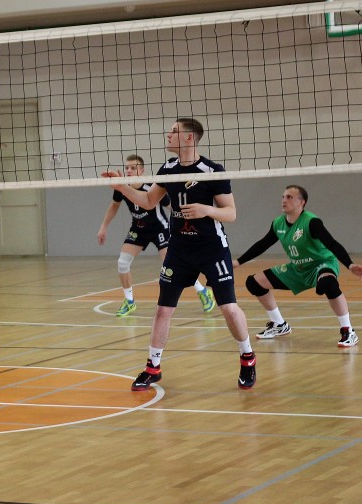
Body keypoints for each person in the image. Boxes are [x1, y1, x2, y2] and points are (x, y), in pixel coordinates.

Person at [102, 118, 256, 392]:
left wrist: (206, 210)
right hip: (179, 250)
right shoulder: (168, 169)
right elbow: (148, 201)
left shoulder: (212, 170)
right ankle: (153, 367)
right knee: (163, 309)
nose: (169, 134)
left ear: (189, 138)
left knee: (229, 308)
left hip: (212, 249)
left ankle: (247, 357)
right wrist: (122, 187)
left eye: (174, 131)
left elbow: (231, 213)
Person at [235, 185, 361, 347]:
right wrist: (238, 262)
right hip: (297, 268)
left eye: (289, 197)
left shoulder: (311, 222)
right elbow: (263, 244)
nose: (284, 200)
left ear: (302, 202)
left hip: (321, 264)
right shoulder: (278, 223)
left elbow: (331, 243)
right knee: (254, 282)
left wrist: (350, 265)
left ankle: (348, 330)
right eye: (283, 197)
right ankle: (279, 324)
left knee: (328, 284)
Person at [96, 155, 215, 317]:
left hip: (160, 229)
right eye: (127, 167)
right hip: (138, 229)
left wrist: (187, 225)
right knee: (122, 262)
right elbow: (114, 205)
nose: (129, 170)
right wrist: (103, 227)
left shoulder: (151, 187)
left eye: (133, 168)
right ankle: (129, 301)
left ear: (141, 171)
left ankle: (203, 291)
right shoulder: (122, 187)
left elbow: (172, 206)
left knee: (174, 266)